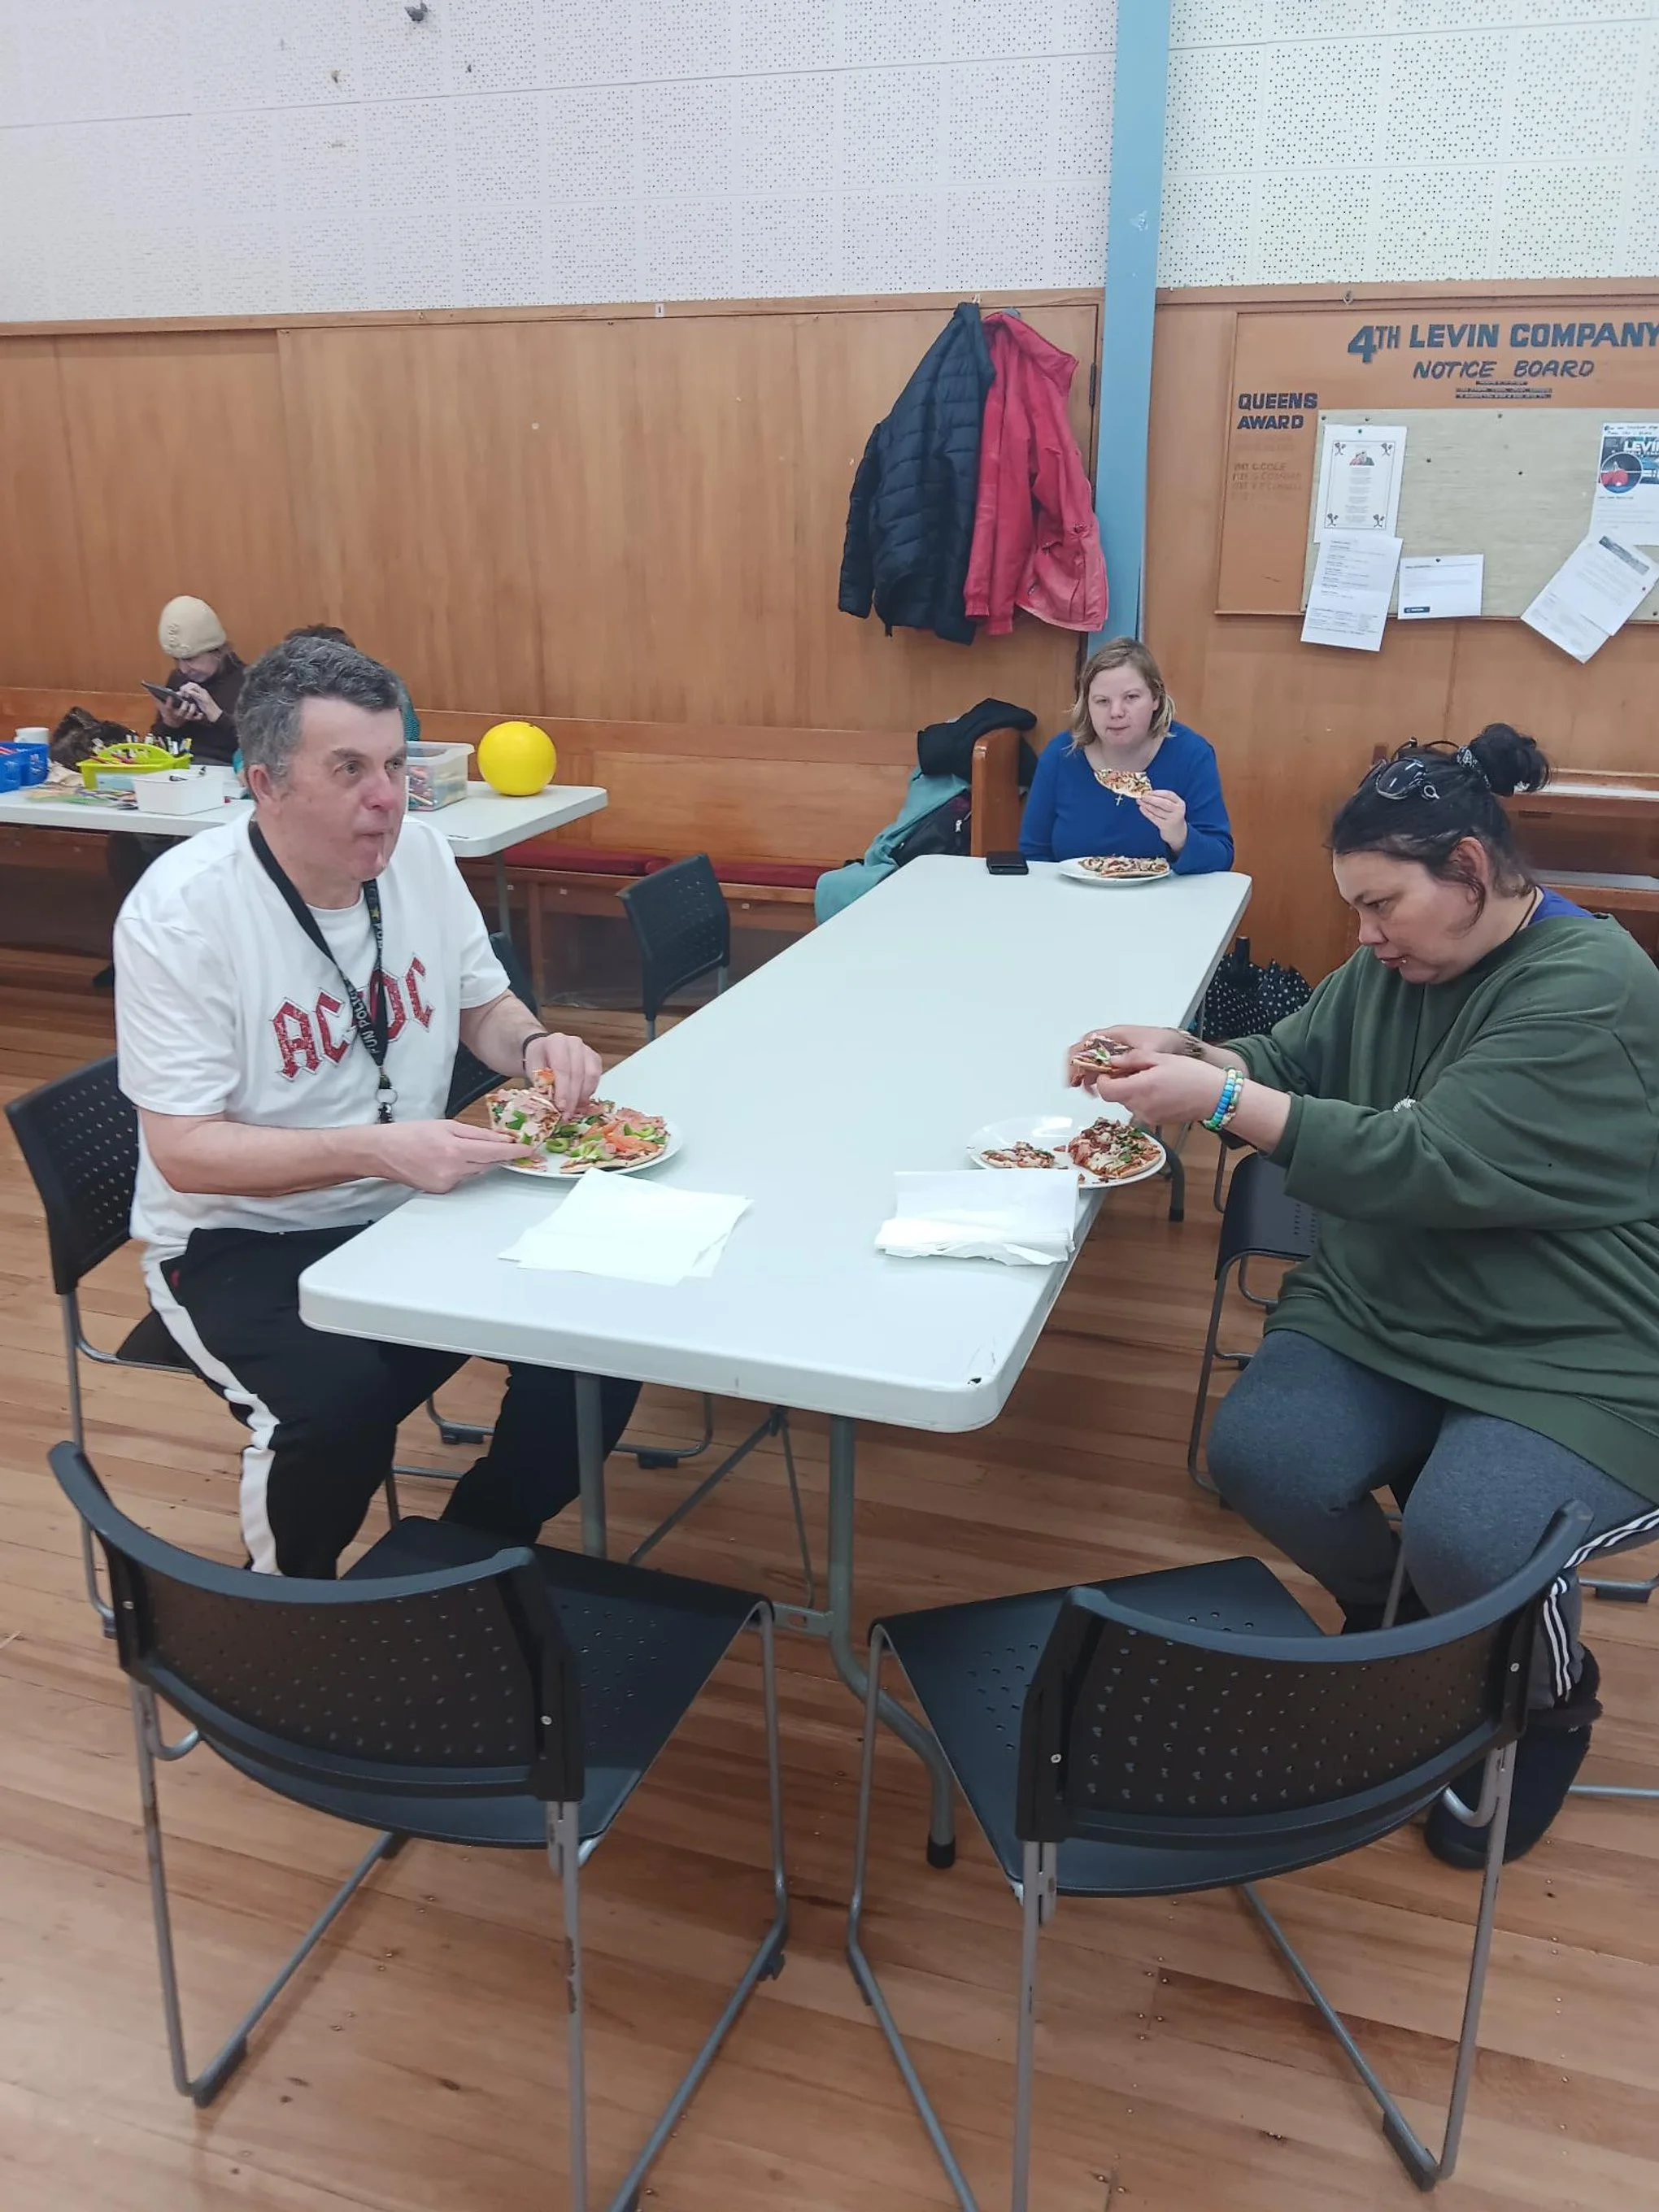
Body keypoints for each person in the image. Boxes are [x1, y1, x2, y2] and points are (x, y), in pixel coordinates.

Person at [1065, 724, 1659, 1866]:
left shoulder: (1588, 986)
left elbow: (1430, 1162)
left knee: (1475, 1534)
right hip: (1398, 1299)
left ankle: (1545, 1700)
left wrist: (1217, 1101)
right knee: (1265, 1457)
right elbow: (1291, 1062)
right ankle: (1414, 1637)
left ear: (1473, 875)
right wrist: (1192, 1053)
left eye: (1381, 905)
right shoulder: (1394, 965)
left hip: (1575, 1335)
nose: (1365, 934)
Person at [113, 632, 638, 1578]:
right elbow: (187, 1151)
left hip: (403, 1203)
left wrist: (530, 1045)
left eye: (394, 763)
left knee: (600, 1344)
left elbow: (481, 1001)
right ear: (265, 782)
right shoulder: (181, 914)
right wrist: (381, 1151)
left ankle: (456, 1560)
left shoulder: (423, 857)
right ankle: (286, 1618)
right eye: (350, 768)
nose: (387, 795)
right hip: (235, 1239)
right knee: (336, 1411)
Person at [1018, 638, 1233, 873]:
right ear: (1087, 705)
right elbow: (1033, 854)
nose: (1116, 712)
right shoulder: (1061, 755)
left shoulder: (1192, 754)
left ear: (1156, 699)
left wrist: (1180, 836)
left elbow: (1222, 857)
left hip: (1163, 904)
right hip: (1075, 902)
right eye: (1102, 701)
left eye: (1131, 697)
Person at [148, 594, 245, 767]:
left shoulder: (248, 682)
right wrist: (170, 724)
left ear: (216, 651)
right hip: (180, 770)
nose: (183, 669)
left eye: (190, 659)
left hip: (226, 773)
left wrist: (217, 716)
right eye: (176, 660)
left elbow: (261, 748)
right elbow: (156, 747)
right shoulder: (178, 679)